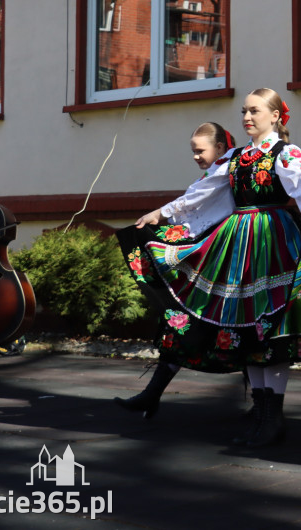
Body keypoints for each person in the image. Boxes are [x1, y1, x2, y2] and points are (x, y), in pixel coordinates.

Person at [117, 92, 301, 449]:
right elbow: (201, 194)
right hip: (239, 241)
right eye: (244, 110)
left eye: (254, 110)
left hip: (272, 239)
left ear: (275, 116)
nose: (246, 116)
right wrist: (161, 214)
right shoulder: (235, 156)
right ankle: (261, 417)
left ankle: (272, 418)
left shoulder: (285, 153)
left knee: (272, 326)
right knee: (249, 325)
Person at [114, 121, 236, 415]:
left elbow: (195, 201)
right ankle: (151, 394)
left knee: (222, 325)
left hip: (219, 259)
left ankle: (263, 406)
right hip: (207, 256)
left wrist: (161, 213)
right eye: (193, 151)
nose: (195, 156)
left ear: (219, 147)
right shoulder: (216, 171)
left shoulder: (225, 170)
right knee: (184, 322)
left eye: (200, 150)